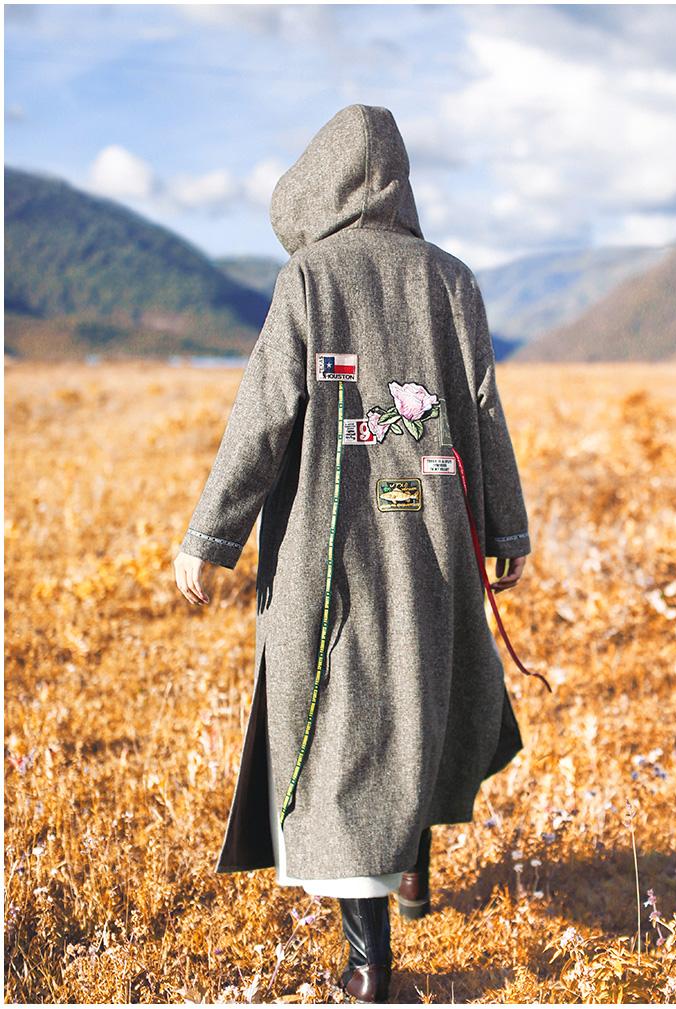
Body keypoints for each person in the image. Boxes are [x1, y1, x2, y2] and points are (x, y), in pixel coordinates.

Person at [173, 103, 531, 1004]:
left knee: (346, 727)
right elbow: (482, 412)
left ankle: (369, 969)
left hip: (333, 554)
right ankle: (412, 877)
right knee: (422, 692)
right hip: (436, 535)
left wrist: (210, 536)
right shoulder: (453, 280)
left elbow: (261, 418)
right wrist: (506, 529)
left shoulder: (309, 279)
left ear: (323, 182)